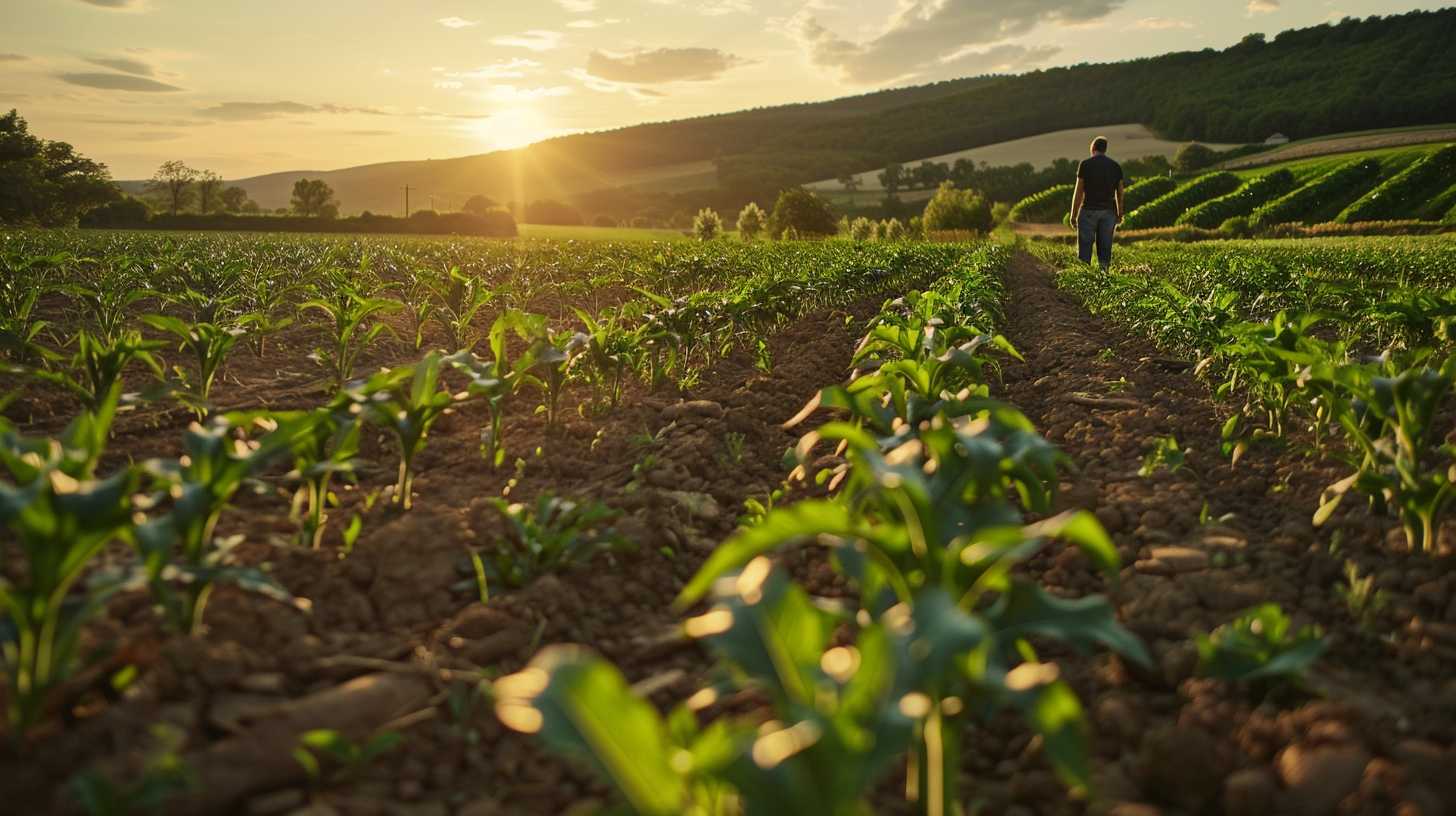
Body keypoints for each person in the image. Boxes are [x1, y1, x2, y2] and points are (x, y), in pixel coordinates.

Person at [1069, 136, 1124, 269]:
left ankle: (1084, 280)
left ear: (1092, 148)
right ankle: (1103, 280)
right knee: (1105, 250)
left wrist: (1073, 215)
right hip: (1108, 213)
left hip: (1088, 211)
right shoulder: (1115, 166)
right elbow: (1120, 193)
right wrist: (1119, 213)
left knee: (1084, 252)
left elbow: (1078, 192)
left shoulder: (1085, 164)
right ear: (1105, 149)